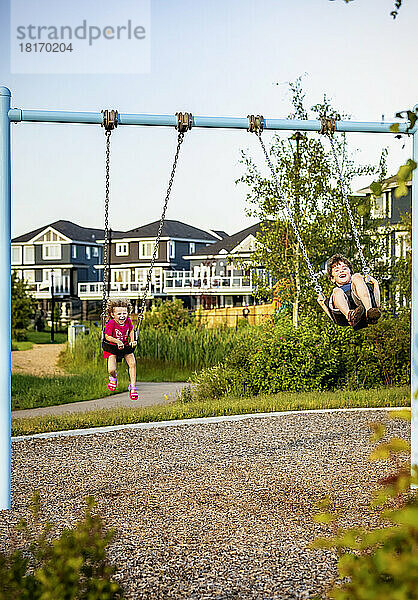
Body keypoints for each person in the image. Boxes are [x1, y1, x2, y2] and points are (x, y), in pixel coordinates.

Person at [325, 254, 381, 329]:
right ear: (332, 278)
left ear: (350, 272)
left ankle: (369, 311)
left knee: (357, 276)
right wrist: (322, 303)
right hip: (343, 309)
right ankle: (350, 316)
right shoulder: (337, 292)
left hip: (360, 301)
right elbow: (332, 317)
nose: (341, 271)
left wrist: (375, 284)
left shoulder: (357, 283)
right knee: (336, 291)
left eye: (344, 268)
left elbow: (377, 304)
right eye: (337, 270)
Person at [103, 299, 138, 400]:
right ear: (113, 314)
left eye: (124, 313)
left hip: (125, 347)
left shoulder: (128, 321)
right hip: (112, 348)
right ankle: (113, 377)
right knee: (111, 369)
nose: (122, 316)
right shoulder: (111, 323)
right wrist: (117, 341)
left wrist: (132, 340)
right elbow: (107, 337)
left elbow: (131, 331)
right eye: (119, 314)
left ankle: (133, 387)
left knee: (133, 364)